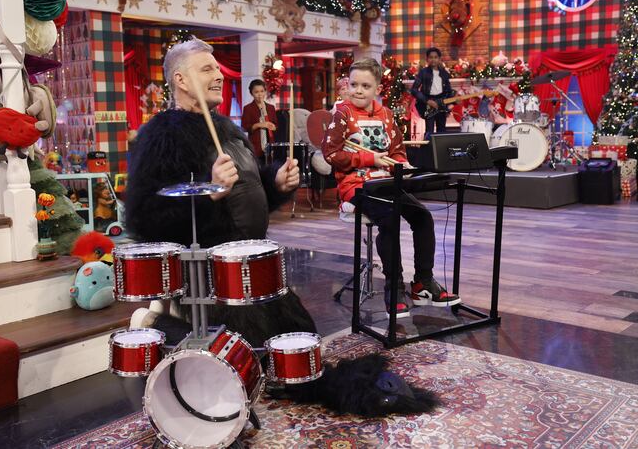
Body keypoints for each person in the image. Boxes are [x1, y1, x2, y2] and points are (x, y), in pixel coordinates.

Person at [124, 37, 314, 347]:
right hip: (208, 273)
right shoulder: (162, 136)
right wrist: (209, 192)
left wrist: (276, 184)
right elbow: (144, 217)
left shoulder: (228, 129)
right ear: (181, 80)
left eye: (218, 69)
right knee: (249, 350)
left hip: (254, 259)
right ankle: (158, 322)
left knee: (300, 336)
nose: (219, 76)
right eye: (207, 69)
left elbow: (245, 194)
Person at [322, 58, 459, 318]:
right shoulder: (342, 114)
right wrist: (368, 159)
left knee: (423, 217)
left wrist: (401, 163)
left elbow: (396, 150)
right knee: (390, 218)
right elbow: (330, 153)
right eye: (353, 85)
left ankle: (422, 284)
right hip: (357, 185)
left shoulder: (385, 114)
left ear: (377, 89)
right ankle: (393, 289)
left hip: (385, 182)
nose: (358, 91)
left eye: (365, 86)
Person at [410, 47, 454, 139]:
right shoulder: (423, 72)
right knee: (429, 131)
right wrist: (427, 101)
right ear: (427, 59)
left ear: (439, 59)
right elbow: (414, 90)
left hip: (441, 104)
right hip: (428, 104)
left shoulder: (444, 74)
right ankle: (428, 148)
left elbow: (448, 91)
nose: (433, 59)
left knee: (442, 131)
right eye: (431, 57)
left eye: (435, 57)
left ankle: (441, 148)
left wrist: (451, 103)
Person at [241, 79, 278, 163]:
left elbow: (276, 125)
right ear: (251, 93)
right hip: (255, 146)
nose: (260, 94)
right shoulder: (248, 108)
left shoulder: (271, 108)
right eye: (256, 92)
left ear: (265, 91)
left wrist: (274, 127)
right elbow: (245, 127)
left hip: (270, 145)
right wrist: (260, 125)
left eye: (262, 91)